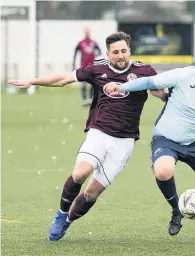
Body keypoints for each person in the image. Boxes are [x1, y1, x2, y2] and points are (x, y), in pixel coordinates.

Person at [9, 31, 166, 241]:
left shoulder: (144, 71)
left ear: (129, 50)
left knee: (92, 194)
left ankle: (68, 221)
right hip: (99, 132)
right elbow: (63, 79)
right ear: (108, 54)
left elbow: (160, 92)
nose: (120, 56)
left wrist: (174, 95)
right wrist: (34, 81)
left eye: (123, 51)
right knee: (80, 174)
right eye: (115, 52)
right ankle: (61, 214)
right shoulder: (97, 69)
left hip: (125, 142)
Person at [104, 48, 195, 243]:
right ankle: (176, 211)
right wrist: (121, 87)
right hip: (166, 138)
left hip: (194, 142)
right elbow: (148, 82)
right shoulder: (182, 75)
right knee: (163, 171)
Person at [72, 27, 102, 107]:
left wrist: (98, 59)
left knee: (93, 84)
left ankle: (90, 100)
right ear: (84, 33)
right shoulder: (80, 43)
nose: (87, 34)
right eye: (86, 32)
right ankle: (84, 101)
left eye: (88, 32)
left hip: (93, 67)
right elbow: (75, 54)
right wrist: (73, 64)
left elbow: (100, 52)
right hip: (83, 67)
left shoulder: (94, 42)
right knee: (84, 84)